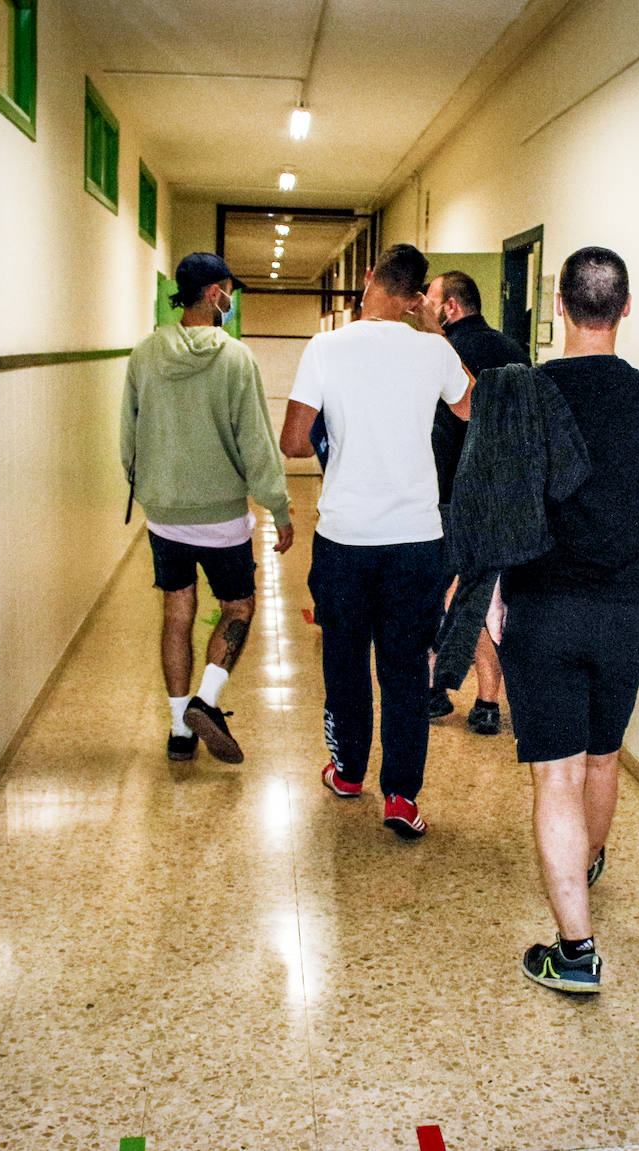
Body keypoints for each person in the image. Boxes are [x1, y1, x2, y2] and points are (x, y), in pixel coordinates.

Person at [494, 246, 639, 992]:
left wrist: (490, 591)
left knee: (554, 777)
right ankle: (584, 865)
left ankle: (576, 949)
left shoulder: (521, 393)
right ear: (625, 308)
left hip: (543, 609)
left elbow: (497, 506)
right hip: (623, 612)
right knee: (602, 755)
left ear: (558, 306)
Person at [280, 244, 471, 839]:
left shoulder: (326, 347)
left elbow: (291, 440)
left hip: (345, 536)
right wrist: (433, 328)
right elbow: (471, 409)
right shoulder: (436, 349)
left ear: (367, 279)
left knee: (345, 660)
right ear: (417, 297)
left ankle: (348, 772)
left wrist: (337, 443)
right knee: (406, 669)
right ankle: (402, 798)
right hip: (416, 538)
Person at [120, 252, 293, 765]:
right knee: (238, 607)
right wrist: (278, 508)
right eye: (228, 289)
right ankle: (205, 701)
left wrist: (146, 486)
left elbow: (127, 437)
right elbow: (256, 443)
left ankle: (179, 731)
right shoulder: (236, 359)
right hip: (221, 517)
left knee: (178, 612)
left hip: (164, 513)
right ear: (215, 293)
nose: (230, 298)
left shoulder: (145, 355)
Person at [422, 270, 530, 735]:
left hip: (449, 493)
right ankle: (487, 703)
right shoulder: (516, 354)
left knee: (435, 592)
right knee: (484, 592)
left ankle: (434, 691)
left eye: (428, 300)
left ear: (449, 307)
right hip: (503, 495)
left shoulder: (438, 353)